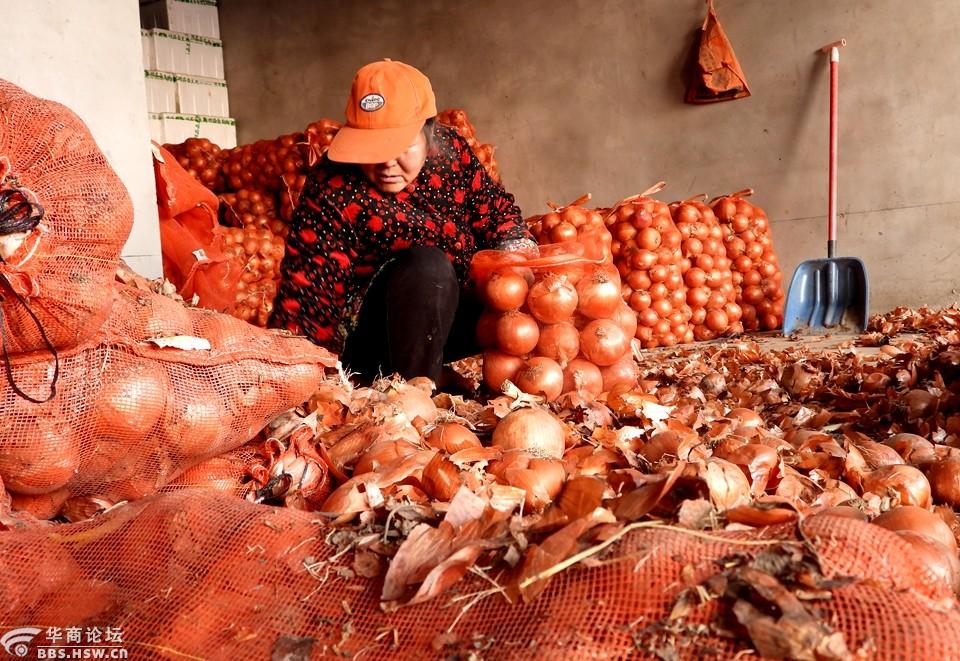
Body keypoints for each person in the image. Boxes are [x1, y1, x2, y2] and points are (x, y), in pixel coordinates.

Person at [271, 59, 536, 384]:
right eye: (372, 149)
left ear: (429, 132)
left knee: (515, 289)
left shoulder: (452, 152)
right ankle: (415, 392)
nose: (386, 163)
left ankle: (437, 369)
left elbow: (496, 212)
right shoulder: (333, 184)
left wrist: (518, 258)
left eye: (401, 147)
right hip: (373, 335)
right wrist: (299, 372)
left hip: (445, 318)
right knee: (428, 267)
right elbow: (309, 293)